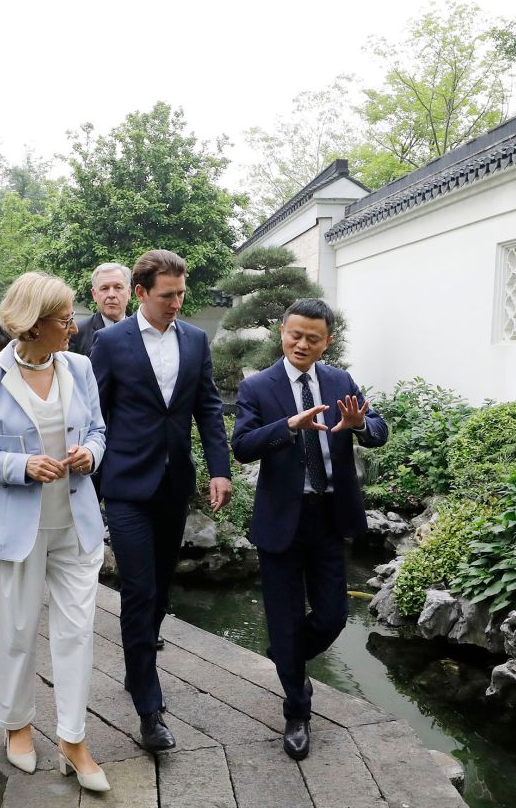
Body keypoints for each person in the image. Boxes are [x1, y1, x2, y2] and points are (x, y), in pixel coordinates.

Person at [0, 272, 110, 792]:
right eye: (65, 319)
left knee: (76, 634)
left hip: (76, 523)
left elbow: (97, 429)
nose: (73, 327)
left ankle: (73, 739)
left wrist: (92, 453)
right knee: (15, 632)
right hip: (16, 527)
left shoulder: (80, 366)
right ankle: (16, 726)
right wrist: (21, 466)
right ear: (32, 324)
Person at [232, 298, 388, 760]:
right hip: (280, 518)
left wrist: (361, 426)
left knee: (332, 616)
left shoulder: (340, 381)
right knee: (283, 617)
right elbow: (241, 446)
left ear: (327, 341)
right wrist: (287, 425)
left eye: (312, 338)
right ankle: (297, 710)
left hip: (329, 514)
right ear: (282, 332)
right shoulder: (259, 386)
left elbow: (378, 429)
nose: (301, 344)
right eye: (294, 335)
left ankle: (286, 652)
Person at [90, 248, 231, 753]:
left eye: (181, 294)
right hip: (126, 487)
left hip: (175, 485)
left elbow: (208, 409)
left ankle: (138, 662)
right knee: (139, 590)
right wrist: (95, 477)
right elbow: (95, 415)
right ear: (142, 292)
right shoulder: (110, 342)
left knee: (161, 588)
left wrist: (219, 470)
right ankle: (150, 710)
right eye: (168, 295)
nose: (177, 303)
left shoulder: (195, 339)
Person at [68, 261, 131, 354]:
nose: (111, 295)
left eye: (118, 287)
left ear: (129, 292)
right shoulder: (76, 333)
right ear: (94, 294)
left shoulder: (141, 332)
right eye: (104, 288)